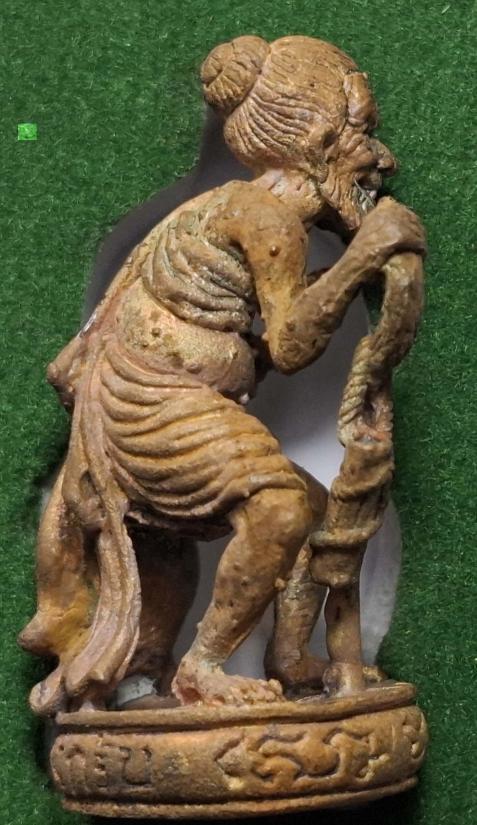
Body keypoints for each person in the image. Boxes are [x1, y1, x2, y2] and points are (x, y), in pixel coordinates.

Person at [19, 35, 425, 714]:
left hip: (158, 399)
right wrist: (367, 253)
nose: (381, 158)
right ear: (316, 139)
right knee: (279, 506)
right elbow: (290, 345)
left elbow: (259, 334)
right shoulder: (264, 216)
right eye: (361, 133)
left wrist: (344, 277)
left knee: (311, 512)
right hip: (149, 405)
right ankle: (202, 668)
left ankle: (278, 658)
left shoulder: (232, 210)